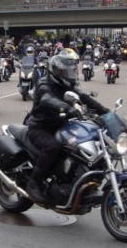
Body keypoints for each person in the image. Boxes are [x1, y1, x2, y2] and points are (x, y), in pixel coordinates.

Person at [25, 50, 108, 204]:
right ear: (54, 71)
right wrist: (67, 108)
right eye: (64, 72)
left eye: (70, 71)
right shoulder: (44, 83)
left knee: (80, 146)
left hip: (62, 126)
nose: (67, 74)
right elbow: (47, 99)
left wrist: (105, 112)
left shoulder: (68, 85)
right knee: (53, 147)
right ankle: (34, 182)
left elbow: (84, 98)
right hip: (40, 128)